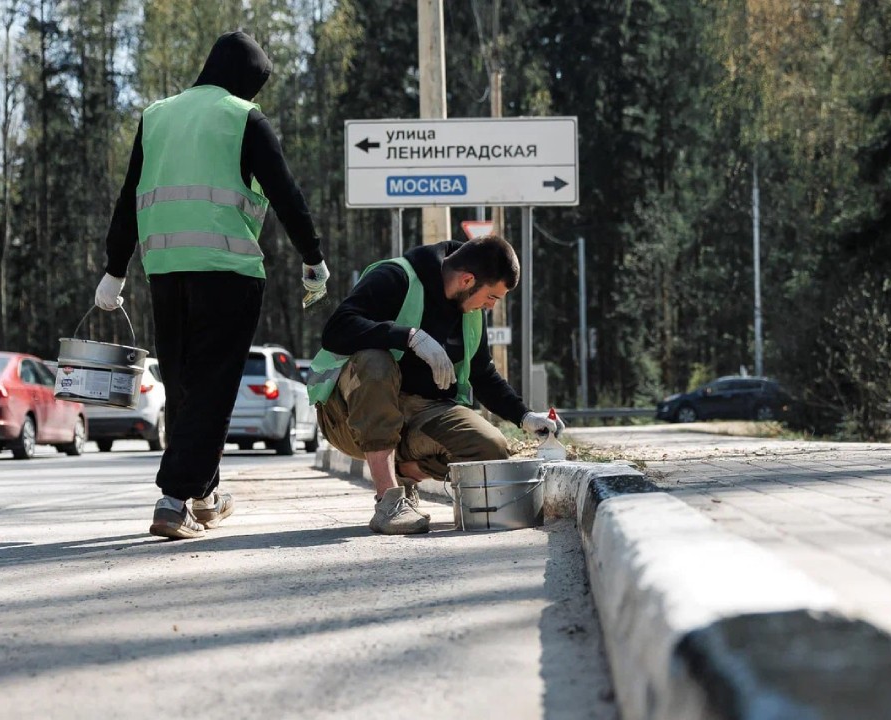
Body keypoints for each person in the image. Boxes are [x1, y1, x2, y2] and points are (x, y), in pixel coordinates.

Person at [94, 31, 329, 540]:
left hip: (166, 268)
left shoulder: (157, 115)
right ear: (247, 80)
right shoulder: (244, 117)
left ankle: (203, 495)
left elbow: (129, 194)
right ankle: (174, 498)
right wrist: (313, 259)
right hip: (228, 269)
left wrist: (116, 267)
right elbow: (287, 195)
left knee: (184, 385)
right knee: (213, 387)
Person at [307, 235, 564, 535]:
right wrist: (409, 337)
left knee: (490, 449)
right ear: (468, 279)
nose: (491, 306)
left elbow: (483, 376)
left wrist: (524, 416)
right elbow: (336, 330)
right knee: (375, 361)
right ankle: (389, 501)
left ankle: (403, 472)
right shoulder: (396, 277)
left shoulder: (471, 311)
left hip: (419, 414)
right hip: (349, 417)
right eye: (492, 297)